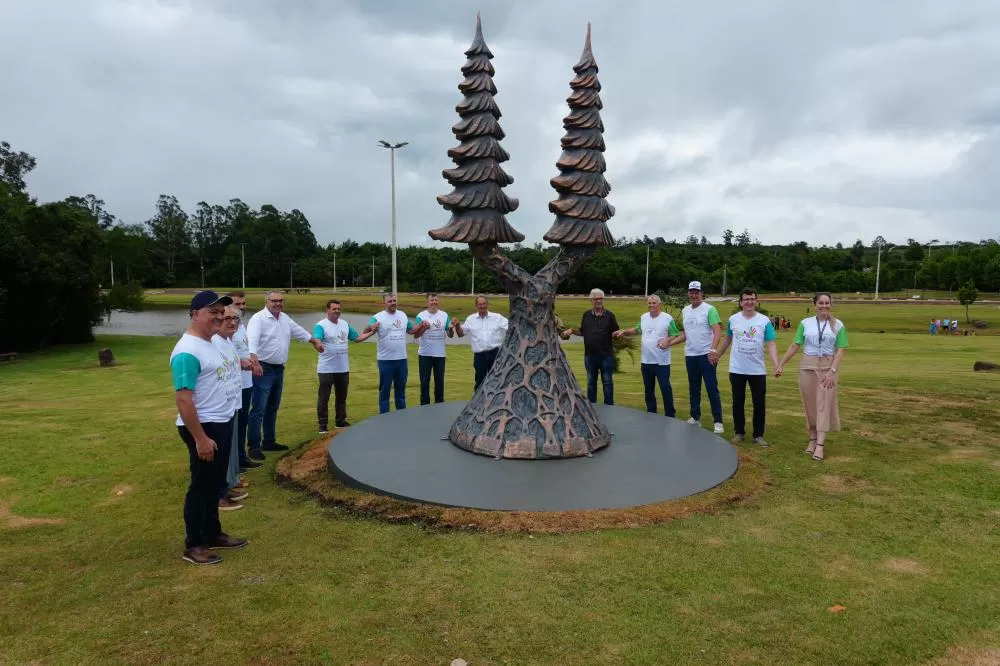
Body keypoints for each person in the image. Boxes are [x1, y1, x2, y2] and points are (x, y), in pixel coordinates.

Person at [169, 290, 247, 566]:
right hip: (203, 427)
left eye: (221, 312)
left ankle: (213, 533)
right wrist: (200, 438)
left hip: (221, 422)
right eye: (213, 312)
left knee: (214, 485)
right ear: (195, 314)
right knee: (201, 487)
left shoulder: (213, 341)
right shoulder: (187, 351)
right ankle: (194, 544)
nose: (219, 316)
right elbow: (183, 399)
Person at [245, 291, 324, 460]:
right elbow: (252, 341)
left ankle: (269, 441)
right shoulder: (258, 319)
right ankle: (253, 446)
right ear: (266, 301)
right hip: (263, 369)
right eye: (274, 300)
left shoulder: (284, 318)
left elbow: (300, 332)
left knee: (272, 407)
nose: (278, 303)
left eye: (280, 300)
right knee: (258, 408)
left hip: (278, 369)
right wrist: (254, 362)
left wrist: (314, 341)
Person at [775, 291, 849, 461]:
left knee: (824, 405)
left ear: (831, 304)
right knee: (810, 407)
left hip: (828, 369)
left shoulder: (838, 325)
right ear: (815, 305)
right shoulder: (805, 323)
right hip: (807, 367)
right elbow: (795, 345)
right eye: (821, 303)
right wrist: (781, 363)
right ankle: (812, 439)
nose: (824, 306)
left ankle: (820, 445)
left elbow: (840, 350)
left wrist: (832, 371)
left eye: (827, 303)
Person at [714, 288, 779, 446]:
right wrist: (717, 355)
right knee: (738, 401)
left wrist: (776, 364)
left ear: (756, 301)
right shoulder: (733, 319)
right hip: (737, 369)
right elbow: (727, 340)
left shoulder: (764, 321)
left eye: (752, 299)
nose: (749, 302)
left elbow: (771, 344)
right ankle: (739, 432)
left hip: (757, 370)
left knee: (759, 402)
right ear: (741, 302)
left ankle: (758, 435)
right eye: (746, 299)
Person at [313, 299, 376, 433]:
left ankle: (340, 421)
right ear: (328, 310)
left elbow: (357, 338)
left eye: (338, 309)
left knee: (342, 397)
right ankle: (322, 425)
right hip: (326, 369)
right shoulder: (321, 325)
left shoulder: (345, 324)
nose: (337, 311)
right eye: (334, 309)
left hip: (342, 368)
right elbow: (317, 339)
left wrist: (372, 332)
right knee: (324, 397)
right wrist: (318, 345)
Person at [614, 294, 681, 416]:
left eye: (654, 303)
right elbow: (637, 330)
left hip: (662, 362)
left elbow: (675, 334)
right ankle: (651, 414)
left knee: (665, 388)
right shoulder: (644, 317)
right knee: (649, 391)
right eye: (649, 303)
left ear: (659, 304)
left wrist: (667, 340)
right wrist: (623, 332)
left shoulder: (667, 318)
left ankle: (670, 414)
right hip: (646, 361)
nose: (651, 305)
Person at [212, 305, 250, 510]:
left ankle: (226, 486)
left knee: (229, 450)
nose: (232, 322)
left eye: (235, 318)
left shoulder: (228, 342)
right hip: (220, 408)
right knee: (220, 454)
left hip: (232, 404)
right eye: (227, 318)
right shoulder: (214, 343)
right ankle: (218, 496)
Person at [366, 293, 428, 414]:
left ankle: (401, 415)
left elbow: (411, 330)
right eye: (390, 301)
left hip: (401, 359)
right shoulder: (377, 317)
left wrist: (421, 325)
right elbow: (366, 330)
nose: (393, 303)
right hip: (385, 360)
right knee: (385, 390)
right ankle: (384, 416)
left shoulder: (402, 315)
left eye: (394, 300)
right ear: (384, 303)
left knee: (400, 389)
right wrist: (371, 327)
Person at [676, 280, 725, 434]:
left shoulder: (709, 309)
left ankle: (718, 421)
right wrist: (669, 342)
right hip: (690, 355)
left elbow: (717, 330)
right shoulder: (685, 310)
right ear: (688, 293)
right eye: (691, 292)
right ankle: (695, 417)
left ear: (702, 293)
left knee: (711, 387)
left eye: (696, 292)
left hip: (706, 355)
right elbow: (686, 334)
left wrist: (713, 350)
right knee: (694, 387)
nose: (694, 295)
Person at [563, 288, 620, 405]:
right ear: (591, 300)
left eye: (600, 298)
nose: (598, 301)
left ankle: (609, 407)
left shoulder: (610, 316)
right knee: (591, 383)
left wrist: (617, 334)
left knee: (607, 383)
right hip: (590, 356)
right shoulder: (586, 315)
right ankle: (591, 407)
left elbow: (616, 332)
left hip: (606, 356)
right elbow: (583, 331)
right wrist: (572, 330)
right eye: (596, 299)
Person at [226, 291, 261, 471]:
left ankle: (241, 456)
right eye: (237, 304)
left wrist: (254, 362)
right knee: (231, 425)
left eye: (243, 304)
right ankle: (232, 462)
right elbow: (223, 355)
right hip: (232, 385)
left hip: (246, 382)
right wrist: (241, 362)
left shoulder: (241, 326)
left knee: (242, 422)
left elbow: (245, 349)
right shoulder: (224, 329)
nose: (241, 307)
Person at [455, 295, 508, 391]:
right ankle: (478, 400)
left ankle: (497, 400)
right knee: (479, 382)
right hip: (480, 356)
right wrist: (457, 325)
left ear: (487, 304)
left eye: (484, 304)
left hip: (495, 354)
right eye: (480, 304)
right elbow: (461, 334)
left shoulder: (497, 317)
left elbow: (511, 326)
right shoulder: (470, 319)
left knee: (496, 381)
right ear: (476, 305)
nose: (482, 306)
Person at [414, 293, 455, 405]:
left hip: (440, 354)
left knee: (439, 382)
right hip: (425, 354)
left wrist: (451, 329)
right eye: (432, 300)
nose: (434, 302)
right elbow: (416, 335)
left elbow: (450, 335)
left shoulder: (444, 315)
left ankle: (439, 405)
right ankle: (424, 406)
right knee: (424, 382)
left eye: (436, 300)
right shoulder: (421, 316)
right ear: (427, 302)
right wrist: (424, 328)